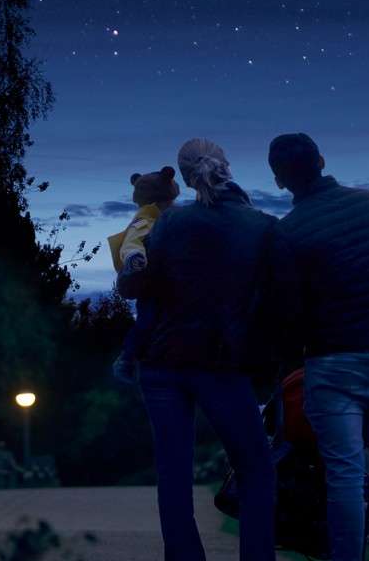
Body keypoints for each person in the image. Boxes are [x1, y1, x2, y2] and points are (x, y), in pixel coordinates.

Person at [119, 138, 277, 561]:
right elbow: (276, 302)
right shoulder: (262, 226)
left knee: (173, 474)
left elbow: (138, 289)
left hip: (162, 362)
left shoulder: (170, 224)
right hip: (221, 364)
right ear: (226, 165)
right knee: (256, 468)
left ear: (185, 177)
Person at [267, 132, 369, 561]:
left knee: (345, 478)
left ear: (279, 180)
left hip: (331, 363)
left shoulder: (288, 233)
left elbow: (287, 310)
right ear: (321, 160)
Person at [106, 165, 182, 383]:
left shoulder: (169, 216)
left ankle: (128, 359)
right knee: (147, 320)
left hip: (162, 283)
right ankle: (127, 359)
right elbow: (132, 241)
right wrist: (134, 259)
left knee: (147, 320)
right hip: (151, 283)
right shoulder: (145, 220)